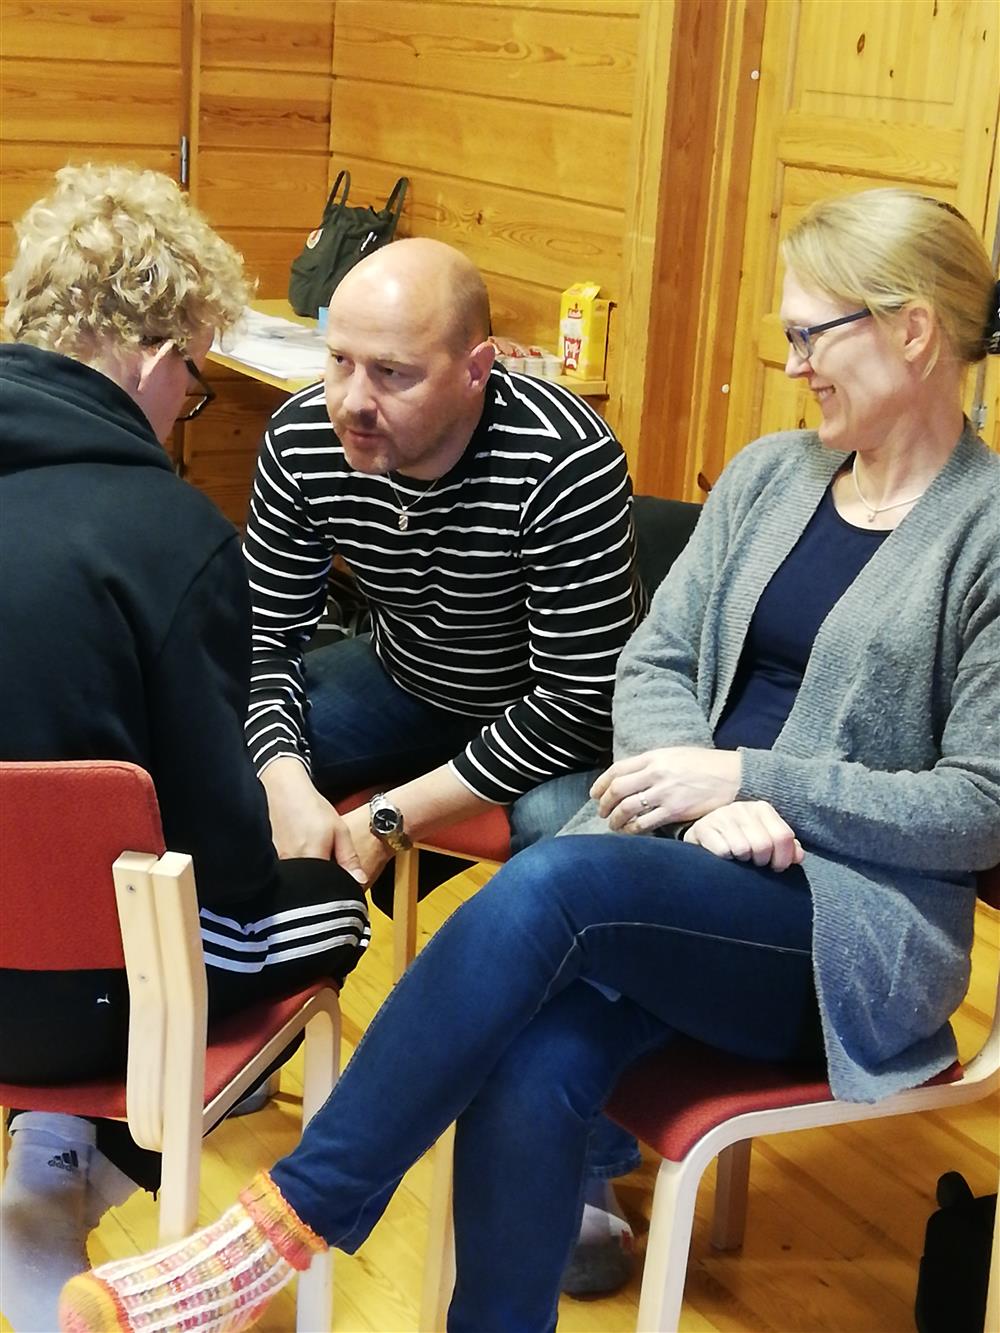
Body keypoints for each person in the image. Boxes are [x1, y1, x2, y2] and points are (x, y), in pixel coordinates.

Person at [60, 188, 999, 1333]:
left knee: (556, 881)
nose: (793, 364)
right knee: (533, 1058)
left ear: (909, 332)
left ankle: (277, 1230)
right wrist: (685, 784)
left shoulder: (983, 532)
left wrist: (752, 782)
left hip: (840, 926)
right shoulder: (770, 475)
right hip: (683, 865)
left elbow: (980, 806)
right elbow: (648, 667)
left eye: (810, 335)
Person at [0, 164, 369, 1333]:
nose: (183, 409)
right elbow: (223, 859)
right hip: (90, 1000)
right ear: (155, 358)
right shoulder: (171, 533)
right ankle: (99, 1166)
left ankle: (48, 1165)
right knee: (328, 903)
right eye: (196, 383)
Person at [243, 236, 645, 889]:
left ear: (476, 369)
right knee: (225, 755)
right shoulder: (301, 436)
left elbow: (578, 702)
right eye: (339, 360)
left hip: (558, 723)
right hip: (406, 677)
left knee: (568, 858)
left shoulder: (563, 458)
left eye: (392, 372)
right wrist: (283, 780)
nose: (351, 401)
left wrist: (390, 817)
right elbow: (263, 642)